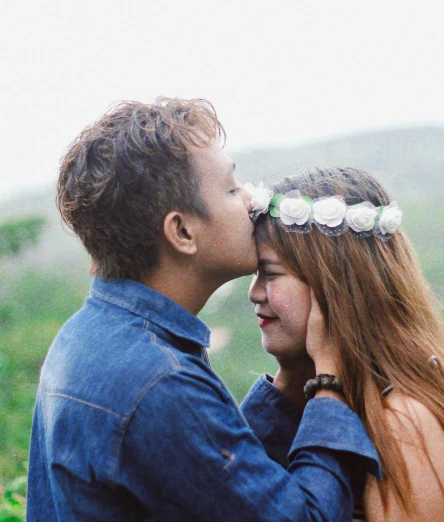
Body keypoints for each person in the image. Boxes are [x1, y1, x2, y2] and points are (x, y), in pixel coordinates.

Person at [26, 98, 380, 521]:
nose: (249, 199)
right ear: (181, 231)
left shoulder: (89, 335)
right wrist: (329, 381)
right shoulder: (159, 384)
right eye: (231, 189)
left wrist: (289, 382)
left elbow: (215, 484)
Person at [244, 167, 444, 521]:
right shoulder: (333, 396)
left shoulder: (406, 422)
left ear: (335, 285)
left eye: (271, 274)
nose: (254, 293)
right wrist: (291, 379)